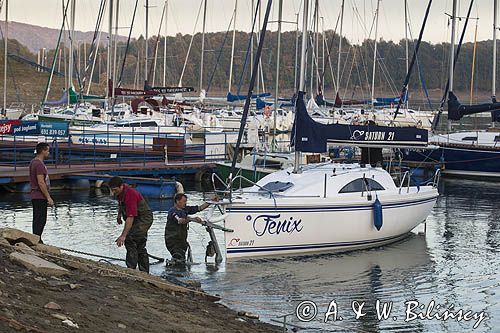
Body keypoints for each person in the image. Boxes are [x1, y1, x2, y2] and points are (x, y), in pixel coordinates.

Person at [109, 176, 153, 273]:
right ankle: (143, 271)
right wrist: (119, 215)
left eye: (115, 190)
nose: (114, 192)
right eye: (112, 190)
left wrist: (123, 235)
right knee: (138, 244)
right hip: (136, 218)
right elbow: (121, 204)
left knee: (130, 239)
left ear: (121, 186)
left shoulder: (130, 194)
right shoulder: (120, 192)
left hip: (143, 218)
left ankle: (131, 269)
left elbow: (130, 217)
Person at [165, 193, 213, 264]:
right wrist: (191, 219)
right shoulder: (172, 211)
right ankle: (175, 272)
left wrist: (211, 201)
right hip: (172, 240)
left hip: (182, 240)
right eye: (184, 201)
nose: (185, 203)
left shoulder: (185, 209)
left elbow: (199, 208)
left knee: (181, 257)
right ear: (178, 201)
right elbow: (180, 221)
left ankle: (177, 271)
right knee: (178, 257)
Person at [30, 142, 53, 243]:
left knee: (37, 218)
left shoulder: (33, 162)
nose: (48, 152)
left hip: (35, 195)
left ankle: (36, 238)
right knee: (41, 219)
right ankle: (37, 239)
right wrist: (48, 197)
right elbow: (41, 182)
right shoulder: (39, 164)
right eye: (47, 150)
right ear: (43, 151)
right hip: (39, 196)